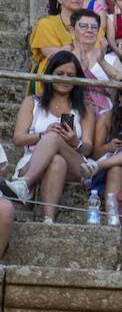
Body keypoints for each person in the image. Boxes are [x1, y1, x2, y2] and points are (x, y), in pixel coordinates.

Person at [2, 51, 98, 220]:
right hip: (33, 160)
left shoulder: (85, 108)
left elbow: (88, 147)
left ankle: (25, 183)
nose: (64, 79)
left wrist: (75, 141)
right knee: (56, 159)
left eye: (70, 75)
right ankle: (48, 220)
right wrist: (42, 135)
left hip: (75, 161)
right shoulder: (32, 102)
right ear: (50, 74)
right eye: (59, 74)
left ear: (78, 80)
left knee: (55, 137)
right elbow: (18, 139)